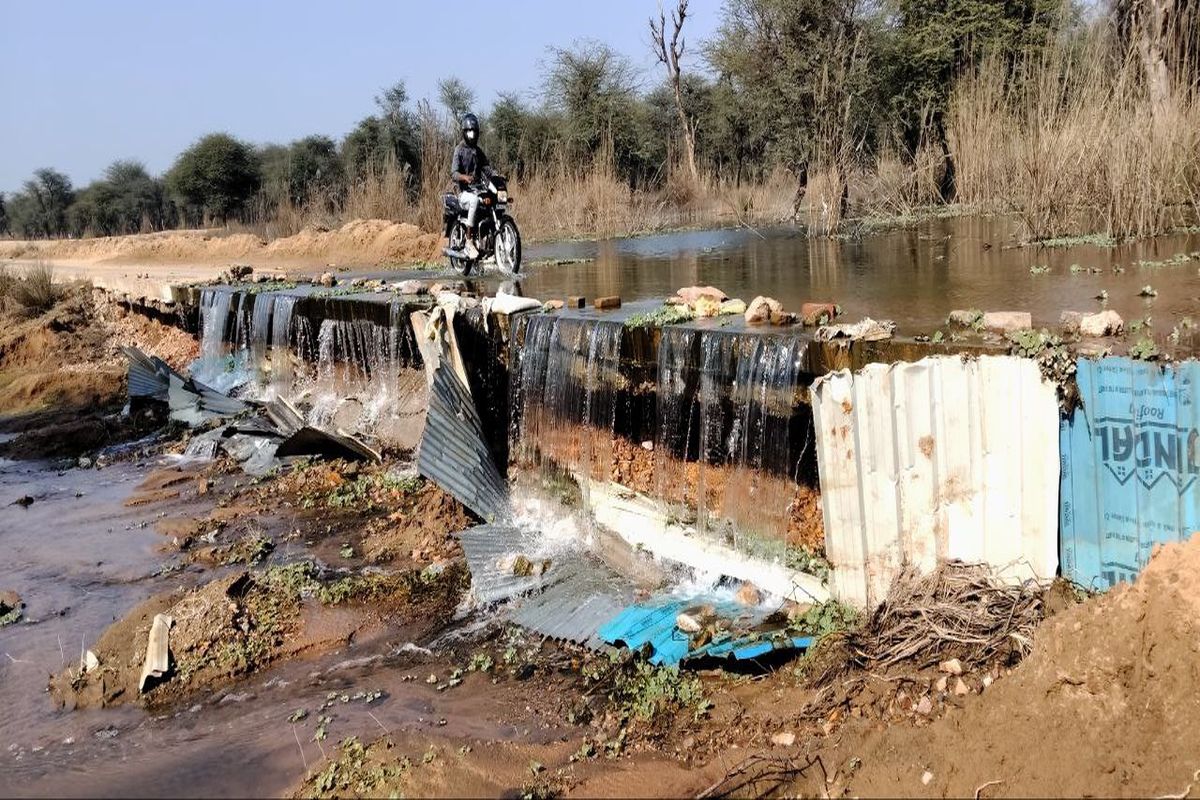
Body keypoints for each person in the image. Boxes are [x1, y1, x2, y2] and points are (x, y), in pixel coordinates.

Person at [451, 113, 491, 259]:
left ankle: (488, 240)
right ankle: (468, 242)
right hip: (463, 192)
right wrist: (464, 177)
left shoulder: (478, 151)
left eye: (474, 131)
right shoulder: (459, 150)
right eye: (469, 131)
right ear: (464, 132)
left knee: (491, 200)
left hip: (478, 189)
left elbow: (487, 168)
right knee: (474, 200)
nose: (472, 134)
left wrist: (497, 176)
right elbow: (453, 173)